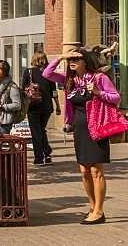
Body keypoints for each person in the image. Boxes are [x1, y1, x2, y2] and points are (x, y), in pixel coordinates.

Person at [44, 48, 120, 225]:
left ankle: (100, 211)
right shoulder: (69, 79)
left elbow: (116, 98)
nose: (72, 62)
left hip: (97, 127)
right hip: (79, 128)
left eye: (76, 59)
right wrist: (61, 57)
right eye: (70, 59)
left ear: (85, 61)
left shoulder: (99, 78)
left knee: (96, 170)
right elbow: (48, 74)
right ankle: (92, 207)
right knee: (84, 171)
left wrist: (99, 93)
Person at [23, 51, 60, 165]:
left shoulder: (28, 72)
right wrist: (58, 105)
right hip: (47, 105)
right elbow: (54, 91)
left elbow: (23, 89)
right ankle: (47, 153)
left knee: (36, 132)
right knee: (42, 129)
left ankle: (38, 158)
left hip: (33, 105)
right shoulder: (49, 73)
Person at [0, 60, 21, 134]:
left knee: (2, 144)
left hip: (3, 122)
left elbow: (17, 105)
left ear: (5, 70)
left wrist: (1, 106)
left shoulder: (12, 86)